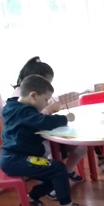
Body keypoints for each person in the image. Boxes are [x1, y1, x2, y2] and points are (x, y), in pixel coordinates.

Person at [0, 75, 93, 206]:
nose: (46, 104)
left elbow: (38, 120)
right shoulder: (25, 112)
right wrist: (64, 118)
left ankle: (31, 199)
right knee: (58, 169)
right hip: (17, 159)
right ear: (33, 96)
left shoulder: (13, 107)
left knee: (54, 175)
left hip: (12, 158)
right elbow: (44, 122)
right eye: (45, 100)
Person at [10, 57, 86, 186]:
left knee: (81, 147)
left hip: (45, 133)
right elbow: (33, 120)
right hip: (31, 141)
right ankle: (48, 184)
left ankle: (66, 171)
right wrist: (49, 110)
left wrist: (52, 110)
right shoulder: (19, 97)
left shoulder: (36, 92)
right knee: (49, 153)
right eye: (46, 82)